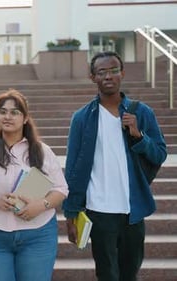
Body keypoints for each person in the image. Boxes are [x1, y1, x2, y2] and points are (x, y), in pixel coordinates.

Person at [62, 51, 167, 281]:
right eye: (102, 72)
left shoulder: (141, 112)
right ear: (93, 77)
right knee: (107, 274)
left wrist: (139, 136)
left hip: (133, 209)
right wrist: (70, 212)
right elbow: (72, 167)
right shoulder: (82, 118)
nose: (108, 76)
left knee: (130, 273)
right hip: (98, 210)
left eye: (113, 70)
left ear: (122, 73)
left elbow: (160, 154)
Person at [0, 89, 69, 281]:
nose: (7, 116)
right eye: (2, 111)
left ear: (25, 118)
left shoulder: (42, 151)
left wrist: (40, 206)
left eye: (14, 112)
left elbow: (61, 189)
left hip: (38, 235)